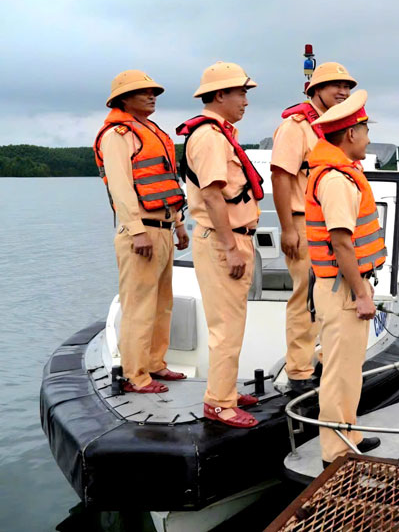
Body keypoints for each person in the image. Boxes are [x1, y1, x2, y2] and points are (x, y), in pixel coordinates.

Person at [176, 62, 264, 428]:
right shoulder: (210, 137)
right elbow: (212, 196)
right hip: (221, 241)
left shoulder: (219, 133)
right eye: (240, 92)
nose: (245, 100)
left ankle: (224, 389)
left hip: (227, 239)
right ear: (220, 95)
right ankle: (218, 402)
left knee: (232, 323)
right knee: (226, 326)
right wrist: (230, 247)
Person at [94, 70, 189, 393]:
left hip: (162, 227)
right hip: (142, 231)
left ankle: (154, 363)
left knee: (163, 302)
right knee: (138, 304)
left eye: (153, 93)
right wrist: (136, 231)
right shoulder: (117, 134)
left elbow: (167, 183)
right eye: (143, 93)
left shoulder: (150, 131)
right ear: (123, 99)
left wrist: (178, 224)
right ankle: (135, 374)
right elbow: (121, 187)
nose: (152, 97)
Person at [304, 89, 384, 464]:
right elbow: (341, 242)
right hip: (342, 290)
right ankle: (335, 452)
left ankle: (348, 433)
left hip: (343, 285)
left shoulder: (341, 172)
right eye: (366, 130)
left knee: (349, 368)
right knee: (339, 372)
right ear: (351, 133)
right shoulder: (336, 179)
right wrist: (362, 294)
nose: (368, 138)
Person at [271, 62, 357, 395]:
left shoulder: (332, 128)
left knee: (325, 296)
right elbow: (280, 176)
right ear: (314, 90)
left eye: (347, 87)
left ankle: (318, 357)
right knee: (304, 299)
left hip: (327, 226)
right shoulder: (295, 128)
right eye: (336, 85)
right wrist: (286, 228)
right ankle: (299, 371)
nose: (343, 92)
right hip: (302, 223)